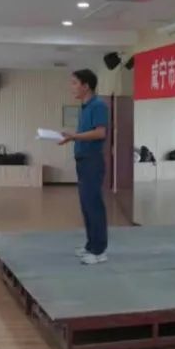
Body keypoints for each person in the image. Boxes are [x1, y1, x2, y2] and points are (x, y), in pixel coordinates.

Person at [59, 70, 109, 265]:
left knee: (94, 205)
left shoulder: (98, 106)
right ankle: (90, 245)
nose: (71, 87)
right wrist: (72, 137)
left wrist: (74, 136)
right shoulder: (85, 107)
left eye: (74, 83)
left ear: (86, 86)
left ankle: (99, 251)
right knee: (86, 205)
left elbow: (100, 133)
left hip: (92, 161)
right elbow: (85, 134)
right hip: (82, 160)